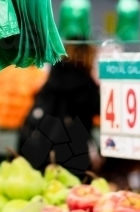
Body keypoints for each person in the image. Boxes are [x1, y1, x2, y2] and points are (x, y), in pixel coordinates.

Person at [18, 44, 99, 176]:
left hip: (38, 151)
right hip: (72, 155)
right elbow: (98, 109)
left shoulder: (51, 79)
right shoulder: (86, 85)